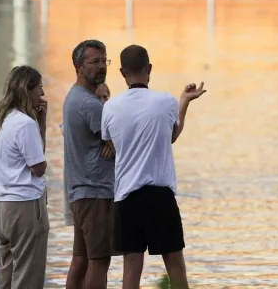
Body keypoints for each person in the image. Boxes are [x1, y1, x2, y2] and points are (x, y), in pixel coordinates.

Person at [101, 44, 206, 289]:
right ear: (149, 69)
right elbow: (172, 136)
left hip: (127, 196)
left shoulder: (110, 107)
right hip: (160, 195)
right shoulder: (166, 101)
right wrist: (184, 101)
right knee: (175, 264)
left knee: (131, 267)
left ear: (122, 72)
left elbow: (112, 143)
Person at [63, 40, 116, 289]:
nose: (101, 66)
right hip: (96, 193)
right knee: (99, 260)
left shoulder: (74, 97)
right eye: (94, 61)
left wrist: (113, 143)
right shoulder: (90, 104)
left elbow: (113, 140)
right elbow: (121, 142)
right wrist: (115, 144)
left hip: (80, 192)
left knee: (81, 260)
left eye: (104, 61)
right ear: (79, 67)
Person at [0, 65, 50, 289]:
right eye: (39, 88)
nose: (42, 93)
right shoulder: (25, 124)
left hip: (2, 206)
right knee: (28, 277)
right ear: (27, 90)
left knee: (6, 275)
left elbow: (32, 155)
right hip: (24, 206)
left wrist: (41, 123)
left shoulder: (4, 119)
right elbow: (38, 167)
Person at [62, 83, 110, 227]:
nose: (102, 102)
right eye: (98, 98)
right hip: (90, 194)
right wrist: (113, 146)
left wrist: (111, 144)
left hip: (92, 193)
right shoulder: (78, 124)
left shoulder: (108, 125)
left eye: (105, 97)